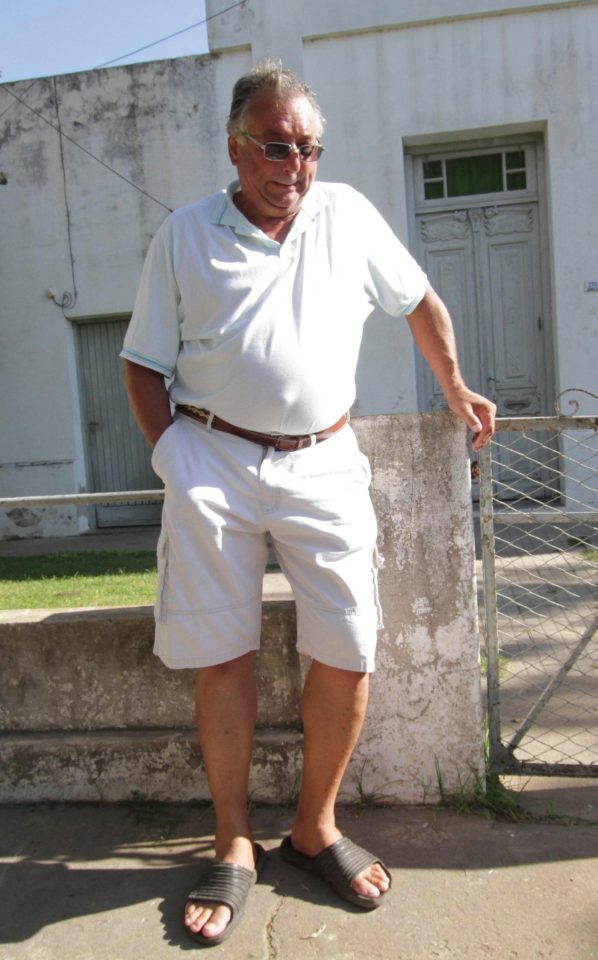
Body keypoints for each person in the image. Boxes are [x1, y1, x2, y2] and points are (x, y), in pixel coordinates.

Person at [122, 59, 496, 946]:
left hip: (324, 458)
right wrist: (174, 453)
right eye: (277, 146)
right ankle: (231, 842)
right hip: (209, 456)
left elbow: (418, 301)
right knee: (225, 653)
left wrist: (455, 384)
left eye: (309, 148)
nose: (295, 164)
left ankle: (313, 826)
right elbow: (142, 362)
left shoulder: (348, 215)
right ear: (236, 145)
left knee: (350, 643)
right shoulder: (183, 235)